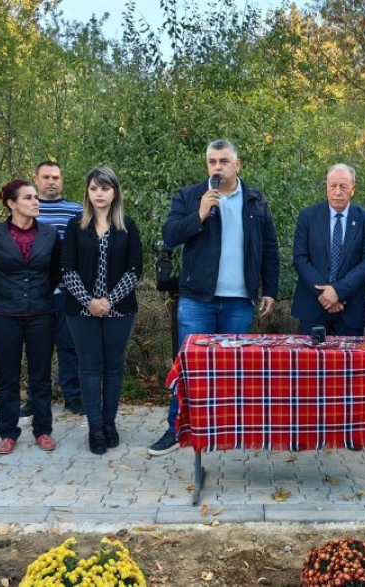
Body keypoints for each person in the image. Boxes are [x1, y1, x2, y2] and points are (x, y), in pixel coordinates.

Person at [148, 139, 280, 456]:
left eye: (223, 161)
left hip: (239, 301)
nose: (217, 167)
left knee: (232, 370)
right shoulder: (190, 196)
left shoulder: (255, 200)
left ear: (238, 164)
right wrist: (200, 214)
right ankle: (175, 429)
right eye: (212, 161)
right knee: (189, 368)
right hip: (197, 299)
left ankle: (224, 431)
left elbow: (269, 248)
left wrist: (270, 290)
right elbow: (169, 235)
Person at [63, 167, 143, 454]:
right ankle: (95, 428)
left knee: (113, 367)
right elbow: (67, 268)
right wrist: (89, 301)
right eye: (94, 188)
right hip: (81, 309)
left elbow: (135, 269)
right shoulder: (75, 226)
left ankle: (110, 424)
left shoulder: (127, 226)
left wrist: (109, 300)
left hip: (119, 310)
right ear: (87, 191)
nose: (99, 193)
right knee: (89, 367)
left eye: (105, 188)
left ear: (115, 192)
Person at [0, 179, 62, 455]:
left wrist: (38, 295)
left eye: (36, 197)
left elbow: (55, 272)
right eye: (28, 198)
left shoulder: (50, 234)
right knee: (8, 376)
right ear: (11, 203)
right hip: (5, 314)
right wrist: (7, 295)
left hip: (42, 312)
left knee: (41, 376)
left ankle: (43, 430)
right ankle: (8, 432)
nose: (35, 201)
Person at [19, 161, 85, 416]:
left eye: (56, 177)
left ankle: (73, 396)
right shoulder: (27, 209)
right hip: (34, 292)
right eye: (46, 177)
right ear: (36, 179)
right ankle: (36, 399)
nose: (51, 182)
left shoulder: (76, 210)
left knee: (69, 346)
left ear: (62, 180)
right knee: (37, 348)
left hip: (68, 291)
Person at [292, 163, 365, 335]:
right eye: (333, 186)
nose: (337, 192)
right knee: (312, 354)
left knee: (349, 355)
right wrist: (325, 294)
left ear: (353, 189)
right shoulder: (308, 216)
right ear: (326, 187)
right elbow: (300, 258)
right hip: (313, 306)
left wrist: (338, 291)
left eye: (343, 187)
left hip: (350, 308)